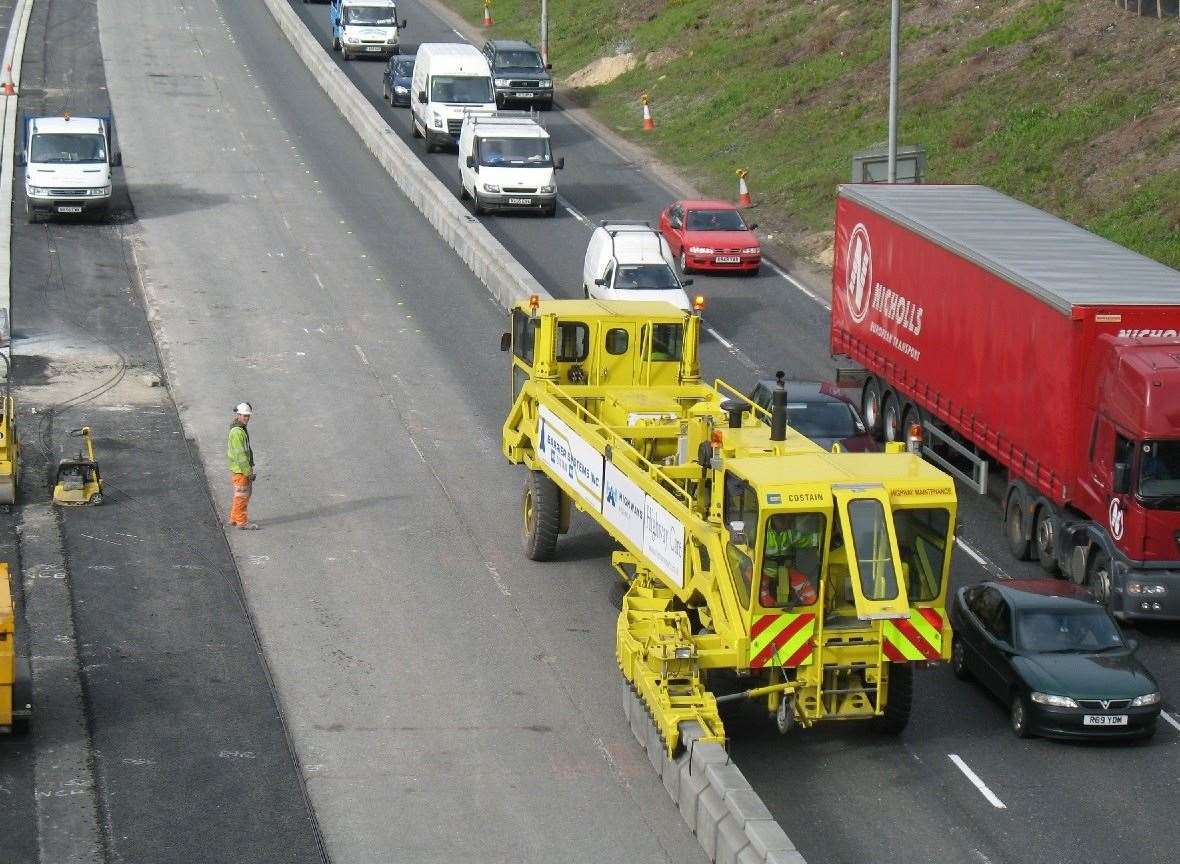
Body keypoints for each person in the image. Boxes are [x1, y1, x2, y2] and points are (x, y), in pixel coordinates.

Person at [761, 514, 822, 607]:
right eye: (782, 519)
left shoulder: (789, 534)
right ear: (774, 518)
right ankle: (767, 609)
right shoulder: (761, 532)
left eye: (787, 519)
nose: (786, 522)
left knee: (803, 582)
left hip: (786, 569)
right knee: (758, 586)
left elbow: (808, 540)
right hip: (764, 570)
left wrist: (827, 536)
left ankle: (812, 607)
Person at [227, 402, 258, 530]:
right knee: (242, 497)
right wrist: (248, 472)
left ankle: (234, 518)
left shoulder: (238, 429)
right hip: (241, 471)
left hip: (239, 470)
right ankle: (242, 522)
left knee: (239, 495)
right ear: (238, 415)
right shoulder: (238, 432)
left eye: (248, 416)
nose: (246, 418)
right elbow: (241, 456)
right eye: (244, 415)